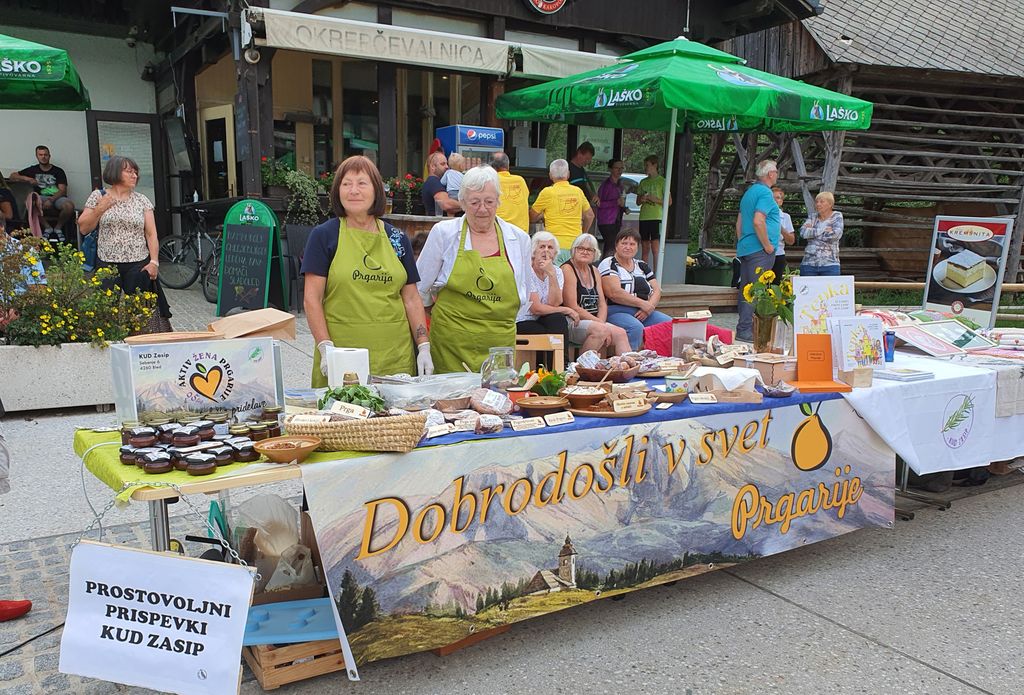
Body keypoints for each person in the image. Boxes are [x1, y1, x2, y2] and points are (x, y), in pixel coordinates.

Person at [301, 155, 431, 386]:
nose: (354, 190)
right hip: (342, 358)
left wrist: (423, 346)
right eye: (346, 183)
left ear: (376, 191)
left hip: (395, 357)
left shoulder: (397, 239)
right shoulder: (324, 236)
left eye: (362, 183)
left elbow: (411, 299)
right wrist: (325, 347)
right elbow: (312, 299)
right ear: (337, 191)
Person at [417, 165, 531, 373]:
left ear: (498, 201)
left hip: (499, 345)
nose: (482, 209)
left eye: (489, 202)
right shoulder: (444, 233)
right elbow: (420, 288)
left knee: (495, 393)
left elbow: (523, 292)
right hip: (451, 345)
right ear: (462, 202)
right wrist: (425, 340)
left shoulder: (519, 239)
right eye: (475, 202)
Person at [77, 155, 172, 325]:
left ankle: (138, 341)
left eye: (135, 172)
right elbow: (84, 228)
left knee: (140, 314)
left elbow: (151, 234)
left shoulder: (142, 200)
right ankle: (110, 340)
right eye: (129, 171)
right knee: (105, 312)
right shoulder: (99, 196)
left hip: (138, 263)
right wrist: (100, 208)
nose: (134, 175)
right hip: (107, 262)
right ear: (115, 172)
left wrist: (154, 262)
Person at [599, 229, 671, 350]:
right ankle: (630, 358)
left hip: (643, 311)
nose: (628, 247)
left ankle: (657, 357)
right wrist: (643, 304)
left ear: (637, 248)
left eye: (632, 244)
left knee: (668, 324)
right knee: (635, 327)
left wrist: (648, 308)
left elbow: (657, 290)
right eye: (624, 243)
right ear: (616, 246)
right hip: (615, 310)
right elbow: (614, 293)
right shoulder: (609, 263)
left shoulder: (641, 265)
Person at [734, 159, 781, 342]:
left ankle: (744, 327)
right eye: (776, 171)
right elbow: (758, 221)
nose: (777, 174)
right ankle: (746, 329)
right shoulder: (765, 193)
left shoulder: (749, 192)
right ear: (770, 174)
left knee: (746, 289)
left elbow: (739, 222)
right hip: (760, 250)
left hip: (747, 247)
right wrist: (767, 245)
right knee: (756, 289)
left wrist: (743, 242)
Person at [561, 233, 631, 354]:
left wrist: (601, 323)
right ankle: (581, 364)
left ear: (595, 253)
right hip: (572, 321)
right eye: (580, 248)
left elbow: (602, 304)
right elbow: (572, 306)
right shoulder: (567, 269)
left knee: (620, 333)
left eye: (589, 250)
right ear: (573, 250)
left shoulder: (594, 270)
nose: (585, 252)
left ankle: (627, 365)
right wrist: (601, 325)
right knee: (600, 330)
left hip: (595, 322)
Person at [515, 232, 572, 347]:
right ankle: (547, 359)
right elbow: (536, 308)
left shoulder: (557, 271)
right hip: (522, 319)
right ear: (534, 251)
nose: (546, 250)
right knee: (544, 333)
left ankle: (561, 359)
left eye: (550, 247)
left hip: (543, 317)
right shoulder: (526, 270)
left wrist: (551, 274)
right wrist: (566, 310)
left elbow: (554, 303)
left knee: (558, 320)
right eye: (542, 247)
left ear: (555, 253)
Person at [529, 159, 594, 257]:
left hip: (554, 246)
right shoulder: (578, 191)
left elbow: (532, 217)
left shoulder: (547, 192)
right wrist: (582, 235)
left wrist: (543, 215)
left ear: (550, 175)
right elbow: (590, 215)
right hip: (575, 246)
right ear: (568, 174)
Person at [8, 145, 74, 236]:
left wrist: (51, 200)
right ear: (37, 156)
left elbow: (63, 191)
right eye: (41, 155)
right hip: (39, 198)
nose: (43, 157)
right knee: (30, 203)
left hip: (57, 198)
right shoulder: (33, 169)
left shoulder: (58, 171)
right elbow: (12, 176)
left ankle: (58, 228)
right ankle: (47, 227)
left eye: (45, 155)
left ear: (49, 156)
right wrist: (28, 179)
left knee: (69, 206)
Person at [635, 155, 671, 271]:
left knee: (656, 247)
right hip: (644, 217)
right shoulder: (643, 182)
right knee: (645, 247)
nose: (645, 168)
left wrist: (655, 199)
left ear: (655, 165)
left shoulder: (662, 181)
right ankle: (644, 273)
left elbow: (669, 202)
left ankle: (656, 274)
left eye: (647, 165)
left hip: (657, 217)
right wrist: (642, 199)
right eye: (645, 165)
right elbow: (637, 202)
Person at [799, 191, 844, 276]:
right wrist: (823, 229)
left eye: (821, 202)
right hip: (808, 264)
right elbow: (803, 233)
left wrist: (812, 231)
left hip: (830, 264)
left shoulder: (837, 216)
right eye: (816, 202)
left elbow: (836, 235)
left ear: (830, 204)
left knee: (830, 285)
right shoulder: (812, 217)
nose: (818, 204)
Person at [490, 152, 530, 233]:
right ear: (508, 165)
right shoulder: (520, 181)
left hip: (500, 231)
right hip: (521, 232)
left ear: (492, 167)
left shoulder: (491, 181)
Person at [596, 159, 626, 258]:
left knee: (611, 245)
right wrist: (616, 202)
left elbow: (620, 203)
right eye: (617, 168)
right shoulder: (606, 185)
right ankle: (606, 265)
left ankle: (607, 264)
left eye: (621, 168)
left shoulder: (620, 184)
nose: (620, 171)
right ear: (610, 169)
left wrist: (624, 208)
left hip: (616, 219)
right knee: (611, 245)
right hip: (606, 220)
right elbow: (599, 204)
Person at [421, 152, 462, 217]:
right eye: (443, 164)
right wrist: (467, 205)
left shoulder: (437, 181)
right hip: (440, 222)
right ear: (433, 167)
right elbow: (447, 205)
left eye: (447, 164)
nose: (447, 167)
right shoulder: (433, 181)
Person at [771, 186, 796, 278]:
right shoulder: (760, 215)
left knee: (776, 283)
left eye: (778, 198)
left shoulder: (786, 217)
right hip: (761, 254)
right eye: (772, 198)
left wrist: (781, 228)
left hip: (778, 254)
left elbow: (791, 241)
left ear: (781, 201)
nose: (775, 200)